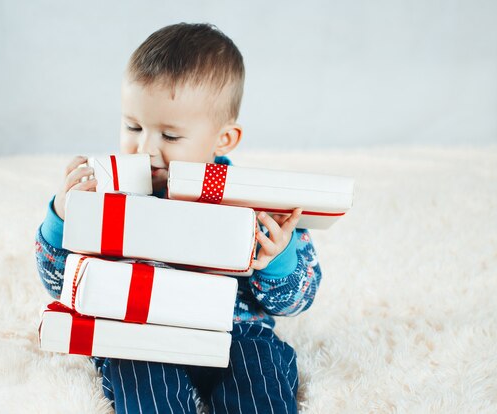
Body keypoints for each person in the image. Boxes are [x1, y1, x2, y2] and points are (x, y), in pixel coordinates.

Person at [35, 22, 322, 414]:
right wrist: (63, 218)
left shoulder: (254, 202)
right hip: (140, 330)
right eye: (133, 126)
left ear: (224, 139)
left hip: (233, 331)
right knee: (136, 366)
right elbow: (59, 284)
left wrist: (279, 258)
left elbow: (295, 301)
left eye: (170, 136)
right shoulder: (106, 194)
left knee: (260, 361)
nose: (147, 147)